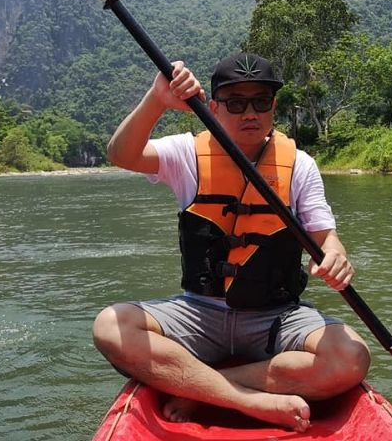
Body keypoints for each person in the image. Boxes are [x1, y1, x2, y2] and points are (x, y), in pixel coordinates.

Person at [93, 52, 370, 433]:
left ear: (274, 106)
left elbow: (328, 240)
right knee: (110, 326)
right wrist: (157, 99)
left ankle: (204, 384)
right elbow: (120, 154)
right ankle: (246, 400)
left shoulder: (300, 165)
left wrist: (337, 258)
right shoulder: (187, 153)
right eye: (236, 103)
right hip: (199, 314)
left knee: (350, 357)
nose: (249, 113)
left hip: (275, 317)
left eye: (261, 101)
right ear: (214, 107)